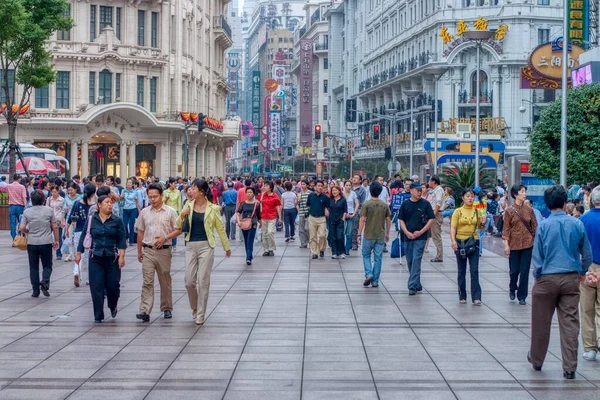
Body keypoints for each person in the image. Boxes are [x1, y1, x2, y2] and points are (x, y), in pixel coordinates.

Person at [529, 185, 592, 379]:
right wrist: (580, 272)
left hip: (547, 278)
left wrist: (538, 276)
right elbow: (587, 255)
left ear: (548, 205)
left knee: (541, 323)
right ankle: (570, 367)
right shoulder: (577, 224)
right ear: (565, 203)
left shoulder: (544, 226)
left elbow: (537, 257)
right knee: (570, 324)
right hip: (571, 278)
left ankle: (537, 360)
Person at [179, 179, 231, 325]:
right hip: (190, 245)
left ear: (201, 191)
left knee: (203, 281)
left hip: (206, 246)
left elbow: (220, 228)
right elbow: (178, 225)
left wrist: (226, 246)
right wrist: (182, 214)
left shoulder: (213, 208)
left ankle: (200, 313)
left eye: (193, 188)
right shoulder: (188, 205)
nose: (190, 190)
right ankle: (195, 308)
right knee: (189, 281)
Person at [75, 195, 126, 323]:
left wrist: (122, 256)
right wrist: (79, 252)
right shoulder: (92, 220)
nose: (110, 205)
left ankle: (112, 305)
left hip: (112, 258)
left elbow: (121, 239)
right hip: (95, 257)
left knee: (113, 286)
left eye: (111, 203)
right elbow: (83, 236)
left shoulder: (117, 220)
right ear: (99, 205)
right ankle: (98, 315)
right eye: (107, 202)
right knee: (96, 287)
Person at [135, 183, 181, 322]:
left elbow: (178, 229)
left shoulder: (170, 212)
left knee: (165, 280)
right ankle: (145, 310)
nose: (152, 199)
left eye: (155, 196)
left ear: (161, 196)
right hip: (148, 250)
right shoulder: (144, 212)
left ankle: (166, 308)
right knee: (147, 281)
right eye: (150, 197)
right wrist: (139, 251)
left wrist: (165, 238)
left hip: (164, 251)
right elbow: (140, 232)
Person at [20, 190, 59, 297]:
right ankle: (45, 281)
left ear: (31, 200)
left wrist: (29, 231)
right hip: (46, 242)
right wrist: (56, 240)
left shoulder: (27, 212)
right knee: (47, 265)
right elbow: (55, 227)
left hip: (32, 243)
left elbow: (22, 227)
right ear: (43, 200)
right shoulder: (49, 211)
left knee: (33, 267)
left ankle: (35, 291)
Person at [503, 184, 538, 305]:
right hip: (514, 244)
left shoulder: (529, 210)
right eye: (522, 192)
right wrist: (506, 244)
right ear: (515, 194)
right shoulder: (509, 211)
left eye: (525, 192)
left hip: (528, 244)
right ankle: (512, 287)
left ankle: (522, 295)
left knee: (524, 270)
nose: (525, 194)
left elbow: (535, 226)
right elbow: (506, 229)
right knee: (514, 271)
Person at [399, 181, 435, 295]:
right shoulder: (405, 204)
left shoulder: (425, 204)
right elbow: (401, 220)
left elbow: (431, 219)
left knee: (416, 260)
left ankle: (412, 286)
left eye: (421, 190)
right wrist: (406, 232)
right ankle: (417, 283)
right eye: (417, 190)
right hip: (407, 237)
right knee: (410, 260)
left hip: (421, 237)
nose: (420, 192)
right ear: (411, 190)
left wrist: (421, 231)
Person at [451, 188, 486, 305]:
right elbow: (453, 227)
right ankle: (462, 295)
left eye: (471, 196)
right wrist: (453, 241)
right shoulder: (458, 211)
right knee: (461, 270)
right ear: (462, 198)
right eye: (467, 196)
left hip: (473, 242)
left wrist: (482, 222)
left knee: (474, 270)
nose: (470, 198)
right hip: (460, 242)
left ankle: (476, 297)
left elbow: (481, 228)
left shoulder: (477, 211)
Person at [356, 182, 391, 288]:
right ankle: (375, 281)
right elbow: (388, 220)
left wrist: (359, 234)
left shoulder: (366, 204)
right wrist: (387, 233)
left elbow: (362, 220)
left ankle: (369, 274)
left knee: (366, 255)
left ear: (370, 191)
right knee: (378, 258)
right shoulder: (384, 204)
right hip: (380, 235)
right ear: (380, 192)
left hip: (368, 235)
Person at [579, 188, 600, 361]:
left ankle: (590, 348)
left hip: (588, 268)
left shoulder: (583, 219)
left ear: (592, 200)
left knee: (587, 309)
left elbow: (577, 246)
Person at [68, 184, 97, 287]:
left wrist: (67, 229)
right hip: (91, 233)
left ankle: (76, 272)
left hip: (78, 231)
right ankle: (90, 278)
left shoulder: (77, 203)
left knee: (79, 254)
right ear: (94, 193)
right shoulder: (95, 205)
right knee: (90, 256)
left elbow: (71, 218)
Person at [236, 187, 262, 265]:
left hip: (253, 224)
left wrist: (261, 223)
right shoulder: (243, 203)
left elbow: (259, 215)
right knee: (246, 240)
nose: (249, 194)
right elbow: (238, 213)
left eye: (250, 192)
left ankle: (248, 258)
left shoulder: (257, 204)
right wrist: (238, 221)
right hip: (244, 224)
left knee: (250, 240)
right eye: (247, 192)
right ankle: (249, 255)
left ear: (253, 193)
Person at [307, 180, 330, 259]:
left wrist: (327, 210)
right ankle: (314, 252)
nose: (320, 187)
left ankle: (321, 249)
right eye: (319, 186)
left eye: (321, 186)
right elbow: (308, 205)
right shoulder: (310, 196)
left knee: (322, 235)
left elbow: (328, 207)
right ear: (315, 187)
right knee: (313, 236)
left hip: (322, 218)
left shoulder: (325, 197)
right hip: (312, 218)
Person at [258, 181, 282, 256]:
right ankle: (266, 249)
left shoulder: (275, 196)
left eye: (266, 186)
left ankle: (271, 248)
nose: (265, 187)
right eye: (264, 186)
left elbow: (278, 206)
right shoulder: (262, 195)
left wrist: (280, 217)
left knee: (270, 232)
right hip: (263, 217)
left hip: (272, 216)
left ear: (270, 187)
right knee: (264, 233)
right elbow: (258, 205)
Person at [46, 186, 65, 260]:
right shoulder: (49, 199)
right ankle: (48, 252)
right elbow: (46, 208)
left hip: (58, 220)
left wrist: (62, 220)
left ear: (58, 192)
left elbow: (63, 210)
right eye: (52, 192)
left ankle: (59, 253)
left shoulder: (62, 200)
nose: (53, 193)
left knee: (58, 237)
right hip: (49, 220)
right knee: (48, 236)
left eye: (55, 192)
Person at [428, 176, 444, 263]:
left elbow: (438, 203)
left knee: (436, 236)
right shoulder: (435, 190)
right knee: (433, 235)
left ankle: (439, 256)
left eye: (430, 181)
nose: (429, 182)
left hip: (436, 214)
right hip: (435, 213)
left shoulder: (439, 190)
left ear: (434, 181)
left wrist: (433, 215)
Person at [163, 178, 182, 251]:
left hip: (175, 211)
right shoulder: (165, 192)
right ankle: (168, 242)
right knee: (167, 228)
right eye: (174, 183)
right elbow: (162, 203)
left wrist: (180, 214)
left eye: (176, 183)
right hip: (167, 212)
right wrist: (166, 199)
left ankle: (174, 244)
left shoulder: (178, 192)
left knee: (175, 228)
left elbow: (179, 203)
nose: (175, 184)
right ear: (170, 184)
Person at [328, 185, 347, 259]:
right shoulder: (330, 199)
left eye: (335, 190)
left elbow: (345, 211)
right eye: (333, 190)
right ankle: (334, 252)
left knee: (340, 236)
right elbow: (327, 208)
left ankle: (342, 252)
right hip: (332, 220)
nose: (334, 192)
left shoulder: (343, 200)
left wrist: (343, 219)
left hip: (340, 220)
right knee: (333, 237)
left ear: (339, 191)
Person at [121, 178, 141, 246]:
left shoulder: (135, 192)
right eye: (128, 183)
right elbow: (120, 200)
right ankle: (126, 237)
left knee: (131, 224)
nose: (129, 184)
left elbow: (137, 202)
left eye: (130, 183)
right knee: (124, 223)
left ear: (132, 185)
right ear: (126, 184)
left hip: (133, 209)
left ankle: (131, 240)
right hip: (125, 209)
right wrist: (121, 197)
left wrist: (139, 211)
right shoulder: (123, 191)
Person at [8, 174, 27, 240]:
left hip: (12, 206)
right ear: (19, 179)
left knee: (12, 224)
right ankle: (21, 237)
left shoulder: (9, 186)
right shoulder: (22, 187)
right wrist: (25, 206)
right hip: (20, 206)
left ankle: (14, 238)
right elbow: (24, 197)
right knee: (21, 222)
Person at [343, 181, 359, 255]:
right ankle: (341, 248)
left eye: (349, 185)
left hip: (351, 214)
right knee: (342, 233)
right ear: (344, 186)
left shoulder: (353, 193)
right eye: (347, 185)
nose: (348, 187)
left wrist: (354, 213)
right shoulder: (341, 193)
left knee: (349, 233)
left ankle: (347, 249)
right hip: (343, 215)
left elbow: (357, 203)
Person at [296, 180, 311, 249]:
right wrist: (297, 205)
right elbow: (296, 204)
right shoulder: (299, 194)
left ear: (307, 185)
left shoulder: (310, 193)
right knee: (301, 229)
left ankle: (310, 241)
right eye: (301, 184)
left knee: (307, 228)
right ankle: (303, 243)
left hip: (309, 213)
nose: (302, 186)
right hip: (301, 213)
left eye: (304, 184)